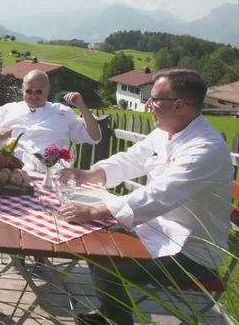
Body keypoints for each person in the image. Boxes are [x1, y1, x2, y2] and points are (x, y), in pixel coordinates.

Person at [59, 69, 233, 325]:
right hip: (155, 229)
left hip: (190, 251)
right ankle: (109, 316)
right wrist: (90, 174)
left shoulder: (205, 149)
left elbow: (159, 195)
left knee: (109, 266)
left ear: (178, 105)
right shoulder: (164, 133)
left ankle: (116, 321)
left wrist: (96, 210)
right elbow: (132, 158)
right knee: (96, 249)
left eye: (154, 100)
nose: (147, 105)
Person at [0, 69, 100, 172]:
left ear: (48, 90)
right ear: (22, 89)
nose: (33, 95)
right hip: (9, 173)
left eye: (39, 91)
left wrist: (81, 105)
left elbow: (94, 137)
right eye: (29, 91)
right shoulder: (8, 110)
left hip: (49, 175)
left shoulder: (62, 112)